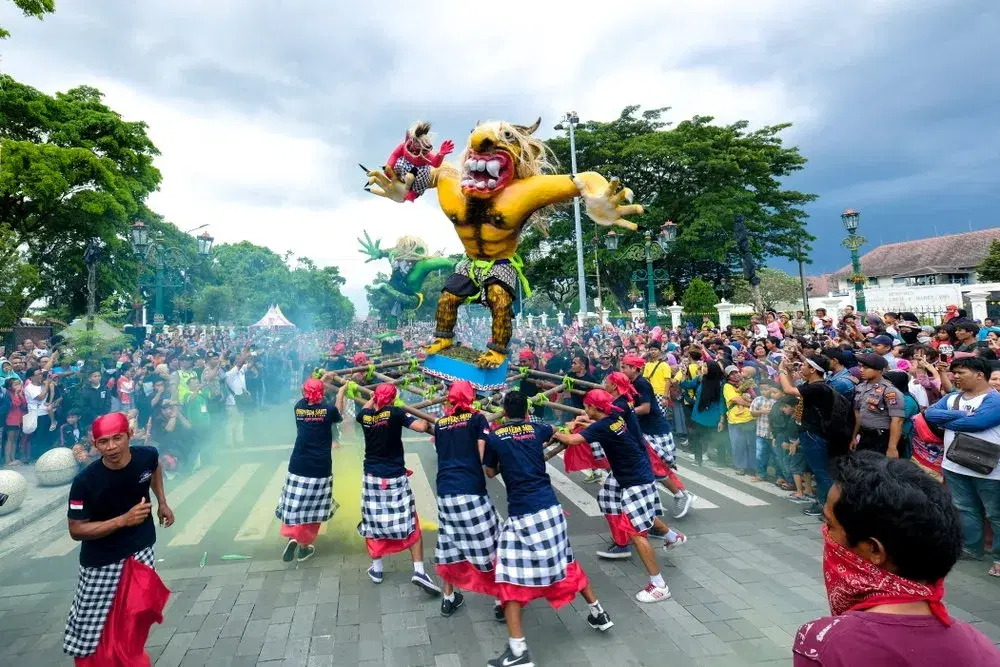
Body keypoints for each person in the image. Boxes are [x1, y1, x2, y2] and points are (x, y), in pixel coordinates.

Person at [793, 451, 1000, 666]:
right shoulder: (980, 647)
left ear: (874, 550)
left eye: (831, 525)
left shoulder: (824, 643)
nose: (824, 532)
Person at [484, 390, 613, 667]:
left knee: (507, 576)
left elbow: (490, 472)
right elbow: (556, 431)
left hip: (523, 516)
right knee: (566, 561)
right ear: (527, 411)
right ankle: (598, 613)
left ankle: (519, 652)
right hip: (552, 511)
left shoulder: (495, 436)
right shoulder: (538, 427)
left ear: (505, 412)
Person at [63, 412, 174, 663]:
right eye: (103, 442)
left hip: (142, 548)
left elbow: (154, 469)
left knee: (137, 614)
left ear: (129, 436)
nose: (111, 447)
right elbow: (76, 530)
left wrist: (162, 503)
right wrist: (122, 520)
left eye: (117, 438)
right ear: (95, 444)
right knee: (92, 628)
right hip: (102, 560)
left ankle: (130, 658)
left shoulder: (147, 455)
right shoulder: (84, 482)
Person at [553, 388, 678, 600]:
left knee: (636, 533)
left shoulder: (604, 424)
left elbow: (573, 441)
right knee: (636, 514)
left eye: (586, 406)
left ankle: (659, 585)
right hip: (636, 476)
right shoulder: (614, 417)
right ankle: (672, 537)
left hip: (635, 481)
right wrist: (584, 424)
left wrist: (553, 432)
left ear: (594, 407)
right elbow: (597, 429)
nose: (584, 409)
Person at [356, 383, 440, 594]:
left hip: (372, 478)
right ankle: (419, 570)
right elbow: (421, 427)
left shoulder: (365, 416)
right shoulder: (396, 413)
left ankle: (377, 569)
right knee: (410, 521)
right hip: (393, 477)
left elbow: (367, 406)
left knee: (373, 522)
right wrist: (426, 420)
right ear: (393, 399)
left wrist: (375, 399)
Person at [924, 357, 1000, 577]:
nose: (955, 376)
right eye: (954, 373)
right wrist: (963, 415)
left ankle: (998, 557)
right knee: (965, 508)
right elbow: (930, 414)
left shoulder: (994, 399)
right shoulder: (952, 398)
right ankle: (971, 549)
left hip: (990, 469)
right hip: (955, 465)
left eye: (961, 372)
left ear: (979, 374)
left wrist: (948, 420)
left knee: (996, 514)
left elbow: (978, 423)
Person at [431, 380, 501, 617]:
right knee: (490, 543)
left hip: (445, 492)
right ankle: (500, 600)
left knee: (450, 543)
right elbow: (481, 452)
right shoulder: (477, 419)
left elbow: (441, 452)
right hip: (470, 488)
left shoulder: (440, 424)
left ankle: (448, 597)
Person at [276, 379, 345, 564]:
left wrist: (321, 380)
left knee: (294, 503)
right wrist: (340, 394)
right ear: (322, 392)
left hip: (298, 463)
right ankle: (304, 545)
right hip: (320, 466)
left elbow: (308, 393)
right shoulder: (328, 409)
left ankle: (292, 536)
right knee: (313, 508)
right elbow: (339, 414)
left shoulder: (298, 406)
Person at [617, 359, 696, 518]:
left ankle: (681, 495)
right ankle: (680, 494)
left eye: (624, 367)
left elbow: (645, 409)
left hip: (656, 431)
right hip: (645, 431)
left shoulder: (642, 384)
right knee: (653, 467)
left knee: (655, 467)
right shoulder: (631, 384)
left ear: (634, 368)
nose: (622, 369)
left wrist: (622, 413)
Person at [851, 354, 905, 457]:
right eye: (860, 366)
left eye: (866, 368)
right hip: (864, 436)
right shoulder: (861, 387)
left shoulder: (889, 391)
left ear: (879, 370)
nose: (861, 370)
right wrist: (854, 436)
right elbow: (858, 413)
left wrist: (892, 447)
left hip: (882, 438)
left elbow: (897, 420)